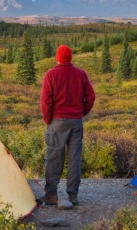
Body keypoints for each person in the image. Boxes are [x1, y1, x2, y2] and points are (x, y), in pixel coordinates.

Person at [38, 45, 95, 206]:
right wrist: (81, 113)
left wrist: (48, 119)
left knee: (54, 158)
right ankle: (73, 195)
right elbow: (90, 96)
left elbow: (45, 101)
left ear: (57, 57)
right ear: (70, 57)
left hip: (57, 123)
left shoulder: (51, 75)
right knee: (74, 159)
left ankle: (51, 195)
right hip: (76, 122)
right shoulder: (81, 74)